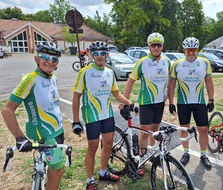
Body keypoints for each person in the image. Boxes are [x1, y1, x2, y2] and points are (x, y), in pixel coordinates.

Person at [1, 41, 65, 189]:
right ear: (36, 59)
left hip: (58, 130)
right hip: (43, 134)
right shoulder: (30, 79)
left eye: (54, 59)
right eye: (45, 57)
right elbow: (7, 110)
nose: (50, 62)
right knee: (58, 170)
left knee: (52, 168)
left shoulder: (53, 78)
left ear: (57, 63)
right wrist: (19, 137)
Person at [72, 41, 133, 190]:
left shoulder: (109, 72)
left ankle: (103, 172)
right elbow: (76, 96)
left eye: (102, 53)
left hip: (107, 115)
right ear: (92, 55)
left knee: (107, 145)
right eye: (96, 53)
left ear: (107, 54)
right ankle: (89, 179)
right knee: (92, 148)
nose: (100, 56)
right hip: (92, 116)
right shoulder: (85, 72)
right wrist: (75, 121)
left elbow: (116, 93)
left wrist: (129, 103)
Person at [123, 32, 171, 176]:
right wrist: (125, 101)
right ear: (149, 46)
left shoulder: (167, 61)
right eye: (153, 45)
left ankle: (152, 153)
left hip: (160, 102)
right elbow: (130, 81)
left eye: (158, 45)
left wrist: (168, 94)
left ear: (162, 46)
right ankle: (141, 161)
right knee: (145, 132)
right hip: (146, 102)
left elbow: (169, 79)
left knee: (155, 130)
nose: (156, 48)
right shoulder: (142, 62)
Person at [168, 37, 214, 168]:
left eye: (194, 50)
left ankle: (204, 155)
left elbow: (209, 81)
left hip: (199, 102)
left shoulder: (205, 62)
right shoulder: (177, 64)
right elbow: (171, 84)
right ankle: (186, 153)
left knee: (203, 129)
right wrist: (171, 102)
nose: (191, 53)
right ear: (184, 51)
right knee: (184, 128)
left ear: (197, 50)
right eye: (188, 50)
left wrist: (211, 99)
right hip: (183, 103)